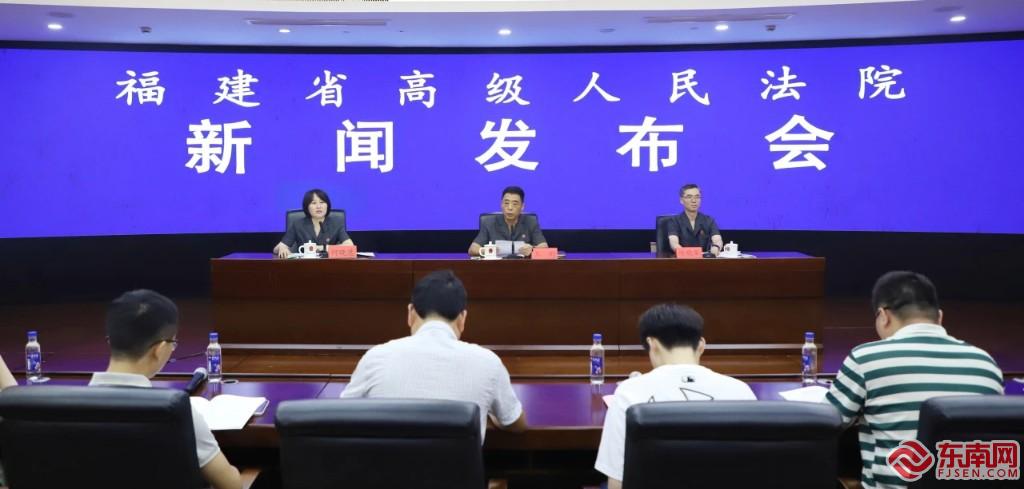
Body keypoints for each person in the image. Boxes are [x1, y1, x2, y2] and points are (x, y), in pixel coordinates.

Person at [825, 271, 1004, 489]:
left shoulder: (866, 359)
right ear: (939, 317)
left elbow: (825, 425)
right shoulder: (986, 363)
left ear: (883, 316)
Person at [341, 270, 526, 439]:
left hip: (387, 467)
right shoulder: (488, 363)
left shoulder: (375, 358)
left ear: (410, 313)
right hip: (457, 467)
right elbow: (516, 423)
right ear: (462, 318)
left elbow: (342, 417)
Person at [90, 290, 242, 489]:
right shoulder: (177, 411)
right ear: (159, 349)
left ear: (111, 340)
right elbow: (231, 485)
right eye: (173, 343)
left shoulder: (70, 407)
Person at [594, 304, 756, 489]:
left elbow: (617, 482)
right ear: (701, 345)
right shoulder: (740, 390)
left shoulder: (629, 392)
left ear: (652, 344)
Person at [468, 186, 548, 257]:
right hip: (496, 267)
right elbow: (472, 249)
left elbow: (544, 246)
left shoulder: (531, 222)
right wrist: (486, 250)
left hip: (524, 266)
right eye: (506, 203)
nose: (510, 208)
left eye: (515, 204)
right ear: (501, 204)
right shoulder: (489, 222)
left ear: (522, 206)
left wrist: (532, 249)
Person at [273, 189, 353, 259]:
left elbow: (350, 247)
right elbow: (276, 249)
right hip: (304, 266)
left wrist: (322, 248)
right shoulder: (298, 224)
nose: (318, 206)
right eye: (314, 203)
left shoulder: (336, 224)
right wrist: (282, 248)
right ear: (307, 207)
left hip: (329, 266)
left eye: (322, 202)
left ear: (327, 205)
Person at [667, 183, 723, 256]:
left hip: (704, 261)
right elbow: (674, 243)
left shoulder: (709, 220)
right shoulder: (674, 221)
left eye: (697, 197)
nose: (694, 200)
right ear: (681, 200)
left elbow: (717, 240)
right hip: (682, 260)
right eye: (689, 197)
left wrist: (716, 248)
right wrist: (689, 254)